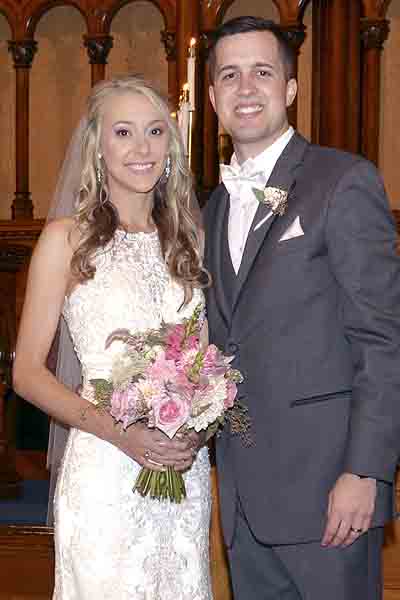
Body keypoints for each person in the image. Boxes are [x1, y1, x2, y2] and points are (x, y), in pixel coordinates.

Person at [203, 15, 400, 600]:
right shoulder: (212, 208)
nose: (245, 88)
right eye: (230, 75)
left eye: (262, 72)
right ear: (211, 97)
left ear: (290, 88)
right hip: (244, 499)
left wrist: (365, 471)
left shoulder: (342, 181)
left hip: (329, 493)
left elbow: (382, 338)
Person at [13, 75, 213, 600]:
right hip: (105, 468)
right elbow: (27, 373)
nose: (142, 148)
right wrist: (122, 433)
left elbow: (204, 365)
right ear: (97, 147)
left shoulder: (190, 239)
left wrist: (198, 429)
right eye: (123, 132)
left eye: (155, 131)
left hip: (182, 475)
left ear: (171, 145)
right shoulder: (66, 240)